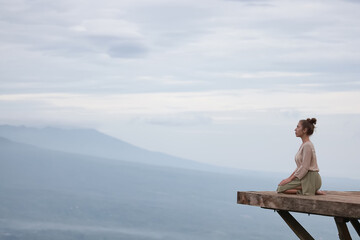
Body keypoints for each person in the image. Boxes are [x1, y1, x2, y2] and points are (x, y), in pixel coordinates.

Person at [277, 118, 325, 196]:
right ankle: (310, 189)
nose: (295, 129)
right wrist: (288, 179)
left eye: (298, 127)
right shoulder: (304, 145)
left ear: (304, 130)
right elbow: (299, 167)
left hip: (311, 177)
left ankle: (311, 189)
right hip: (305, 176)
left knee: (281, 188)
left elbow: (305, 167)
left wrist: (290, 179)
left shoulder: (308, 145)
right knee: (281, 187)